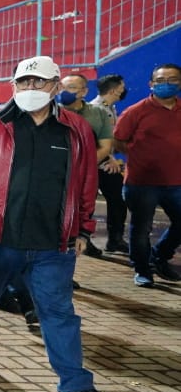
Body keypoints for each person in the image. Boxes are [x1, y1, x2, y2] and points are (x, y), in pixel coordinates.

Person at [0, 55, 119, 392]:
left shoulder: (76, 129)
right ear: (13, 85)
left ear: (56, 86)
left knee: (59, 313)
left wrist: (83, 229)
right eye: (23, 81)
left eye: (38, 81)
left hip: (52, 245)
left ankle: (75, 386)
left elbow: (87, 183)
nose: (30, 87)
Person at [113, 62, 181, 287]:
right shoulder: (135, 111)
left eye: (172, 80)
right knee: (142, 229)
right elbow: (119, 140)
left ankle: (160, 256)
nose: (166, 84)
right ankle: (142, 270)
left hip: (176, 182)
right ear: (151, 84)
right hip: (141, 183)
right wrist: (139, 155)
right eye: (160, 80)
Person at [55, 74, 117, 257]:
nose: (65, 92)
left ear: (84, 91)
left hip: (86, 174)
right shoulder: (50, 112)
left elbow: (105, 146)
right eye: (62, 87)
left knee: (82, 211)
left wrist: (82, 167)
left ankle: (82, 242)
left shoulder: (98, 113)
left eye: (71, 87)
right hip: (57, 173)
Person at [90, 74, 128, 253]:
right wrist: (107, 158)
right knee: (87, 205)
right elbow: (91, 140)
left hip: (107, 164)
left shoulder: (110, 108)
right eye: (122, 87)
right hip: (95, 165)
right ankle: (84, 240)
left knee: (118, 201)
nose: (124, 90)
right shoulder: (95, 109)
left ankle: (115, 240)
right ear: (114, 90)